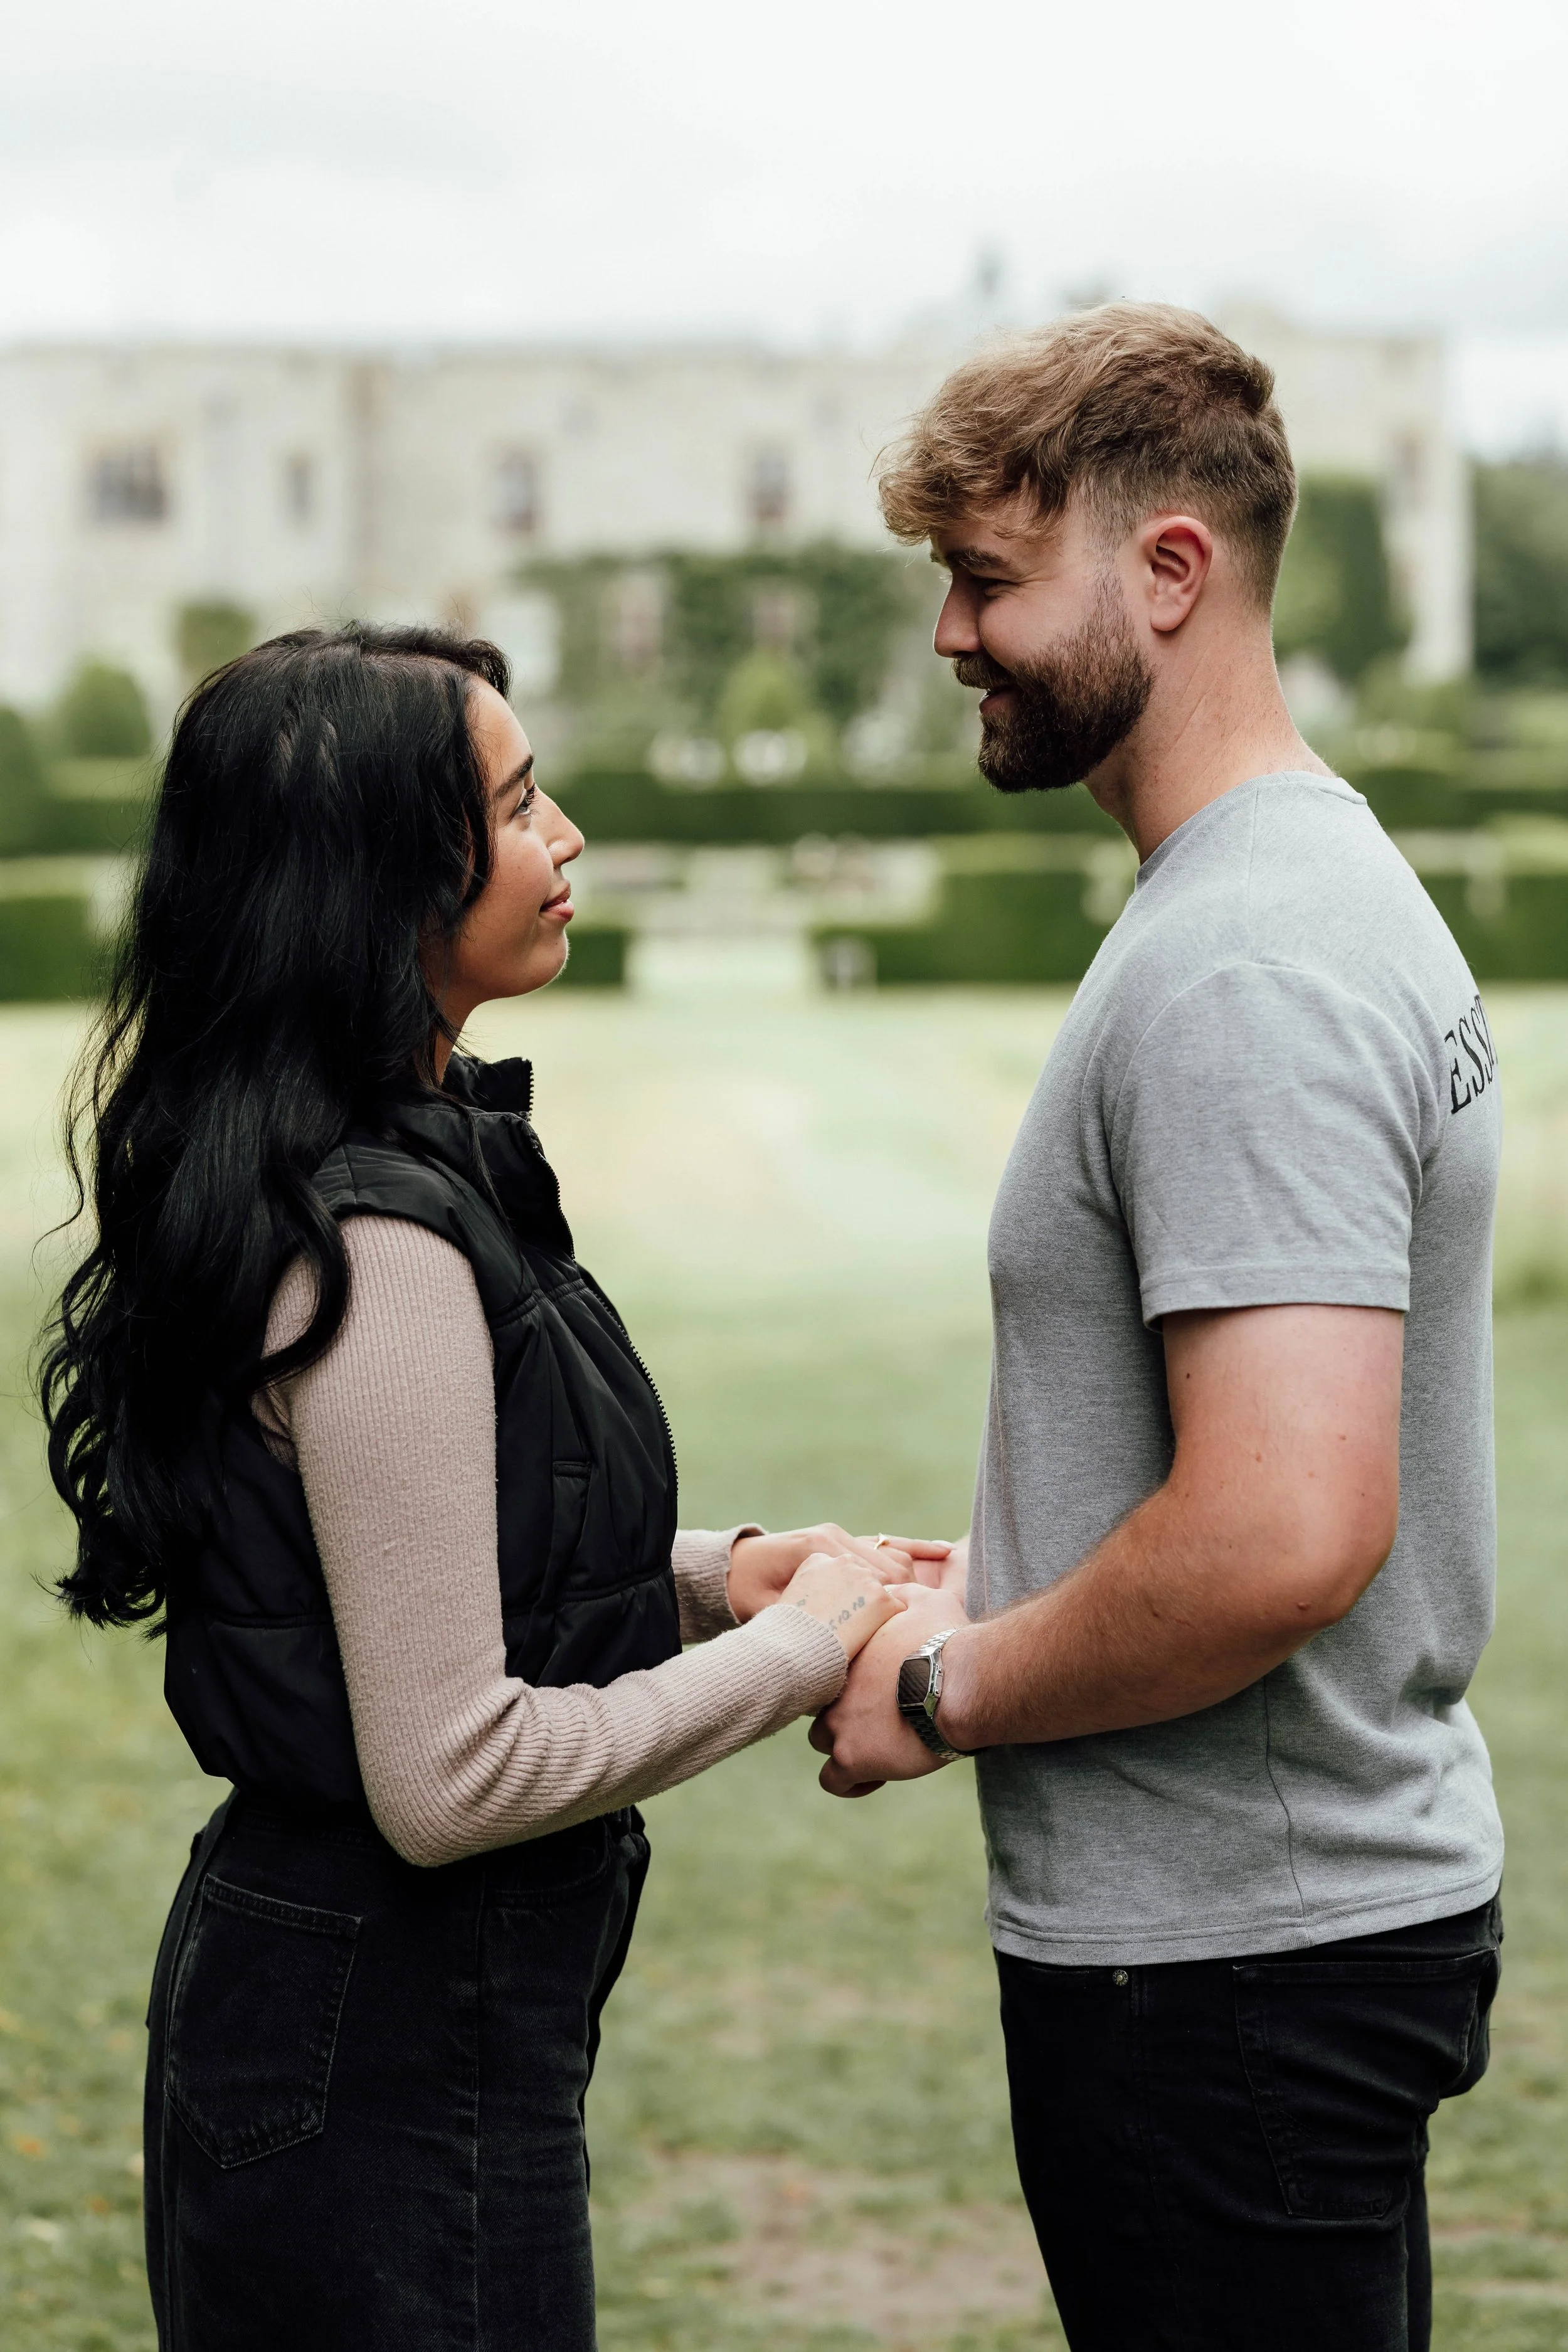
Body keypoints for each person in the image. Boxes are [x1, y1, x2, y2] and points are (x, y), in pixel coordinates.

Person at [40, 623, 935, 2351]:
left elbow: (425, 1538)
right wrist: (798, 1650)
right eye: (520, 805)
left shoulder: (383, 1172)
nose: (567, 835)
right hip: (376, 2056)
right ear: (382, 885)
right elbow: (449, 1771)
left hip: (374, 2030)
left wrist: (717, 1575)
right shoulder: (370, 1235)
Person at [812, 305, 1504, 2352]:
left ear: (1168, 573)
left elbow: (1282, 1529)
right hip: (1280, 1938)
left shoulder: (1244, 968)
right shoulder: (1287, 888)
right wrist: (1018, 1568)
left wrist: (946, 1685)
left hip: (1231, 1964)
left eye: (988, 578)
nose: (950, 633)